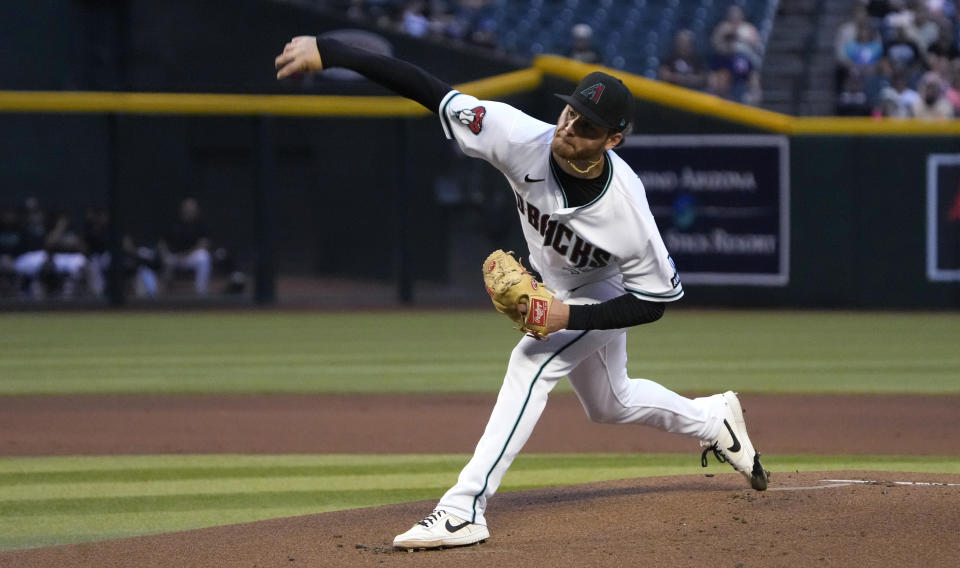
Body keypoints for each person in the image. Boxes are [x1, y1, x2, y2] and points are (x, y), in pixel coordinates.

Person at [275, 34, 770, 549]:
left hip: (604, 289)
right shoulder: (515, 135)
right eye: (570, 114)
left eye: (587, 127)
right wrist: (332, 52)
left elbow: (655, 303)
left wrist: (568, 318)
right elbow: (429, 89)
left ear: (613, 140)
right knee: (610, 403)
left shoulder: (628, 213)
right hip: (554, 281)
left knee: (531, 361)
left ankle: (464, 508)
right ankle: (712, 418)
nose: (570, 128)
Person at [158, 197, 212, 295]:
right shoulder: (174, 223)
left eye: (191, 209)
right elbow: (162, 243)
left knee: (204, 257)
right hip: (174, 257)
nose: (189, 211)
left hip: (190, 257)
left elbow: (204, 244)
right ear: (182, 210)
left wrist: (186, 254)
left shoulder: (199, 225)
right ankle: (161, 296)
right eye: (187, 209)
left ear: (196, 211)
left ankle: (201, 292)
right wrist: (165, 254)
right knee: (167, 260)